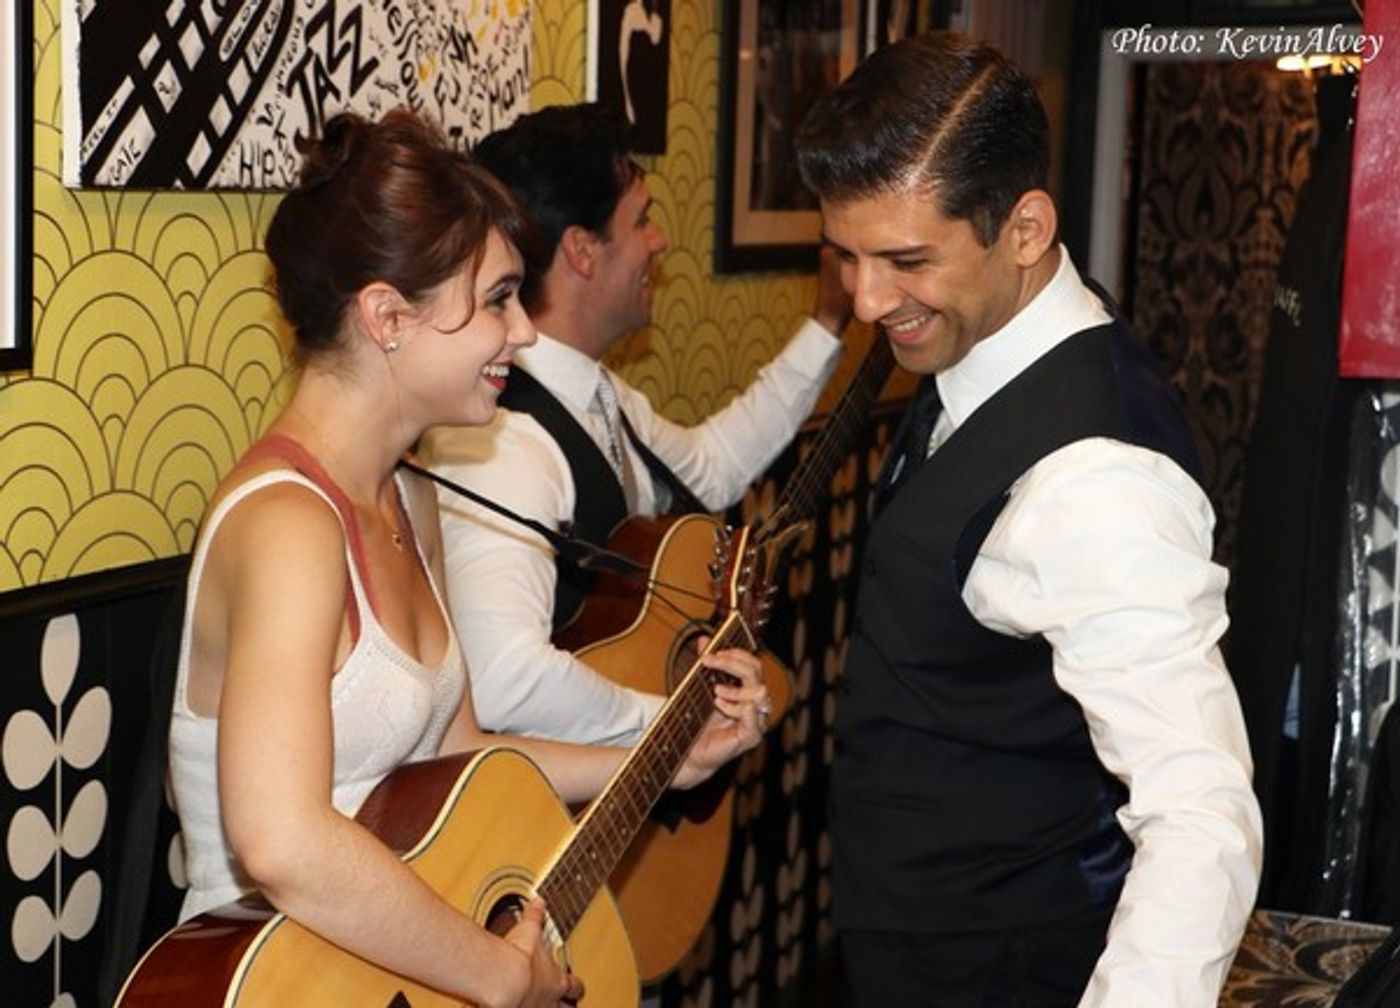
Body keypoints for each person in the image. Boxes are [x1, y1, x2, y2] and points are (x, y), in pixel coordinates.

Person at [165, 108, 770, 1008]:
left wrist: (661, 756)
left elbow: (463, 757)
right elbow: (280, 842)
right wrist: (494, 970)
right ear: (388, 318)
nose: (524, 333)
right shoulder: (288, 525)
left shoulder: (412, 497)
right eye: (497, 300)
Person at [793, 32, 1263, 1007]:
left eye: (903, 259)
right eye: (844, 256)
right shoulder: (984, 345)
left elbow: (1200, 812)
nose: (866, 299)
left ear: (1023, 227)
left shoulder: (1094, 481)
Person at [420, 102, 850, 745]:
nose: (660, 241)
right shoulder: (504, 440)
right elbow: (501, 678)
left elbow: (710, 466)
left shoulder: (596, 393)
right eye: (641, 220)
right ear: (583, 251)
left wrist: (827, 324)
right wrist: (672, 725)